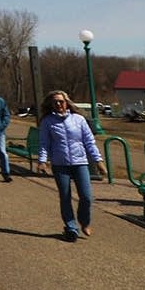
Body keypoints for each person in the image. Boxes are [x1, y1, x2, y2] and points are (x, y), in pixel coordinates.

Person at [36, 90, 104, 240]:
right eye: (55, 102)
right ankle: (71, 227)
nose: (58, 104)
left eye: (61, 101)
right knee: (65, 196)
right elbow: (44, 144)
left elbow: (89, 141)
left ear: (67, 103)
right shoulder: (47, 121)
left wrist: (98, 161)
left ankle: (84, 221)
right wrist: (42, 161)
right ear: (51, 105)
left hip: (80, 162)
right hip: (60, 164)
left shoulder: (79, 119)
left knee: (86, 197)